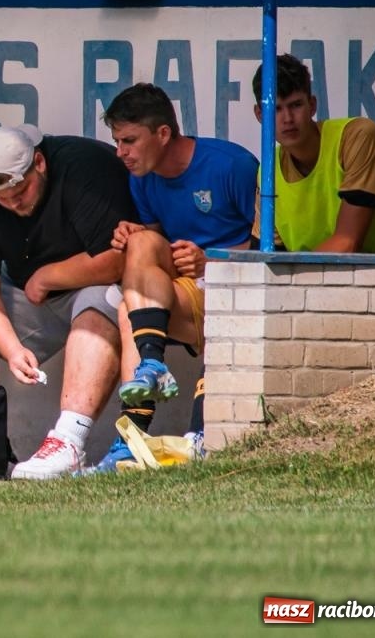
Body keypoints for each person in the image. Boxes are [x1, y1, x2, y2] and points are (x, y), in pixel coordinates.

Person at [0, 124, 135, 479]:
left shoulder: (82, 167)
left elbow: (116, 260)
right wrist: (12, 350)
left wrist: (48, 276)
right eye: (2, 196)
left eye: (21, 189)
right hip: (32, 295)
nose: (13, 202)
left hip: (97, 286)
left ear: (39, 162)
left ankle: (68, 441)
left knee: (101, 297)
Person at [85, 83, 257, 474]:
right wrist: (131, 236)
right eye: (116, 141)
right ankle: (145, 387)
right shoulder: (141, 178)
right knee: (140, 249)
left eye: (129, 140)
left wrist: (213, 260)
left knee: (132, 303)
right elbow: (156, 245)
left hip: (235, 293)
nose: (120, 153)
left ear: (163, 133)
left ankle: (144, 429)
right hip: (184, 294)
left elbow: (274, 248)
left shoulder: (232, 165)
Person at [253, 54, 375, 254]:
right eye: (275, 109)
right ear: (259, 115)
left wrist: (295, 280)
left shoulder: (358, 137)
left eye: (296, 105)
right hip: (317, 281)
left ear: (312, 105)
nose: (287, 119)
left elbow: (347, 243)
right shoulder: (268, 169)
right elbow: (269, 256)